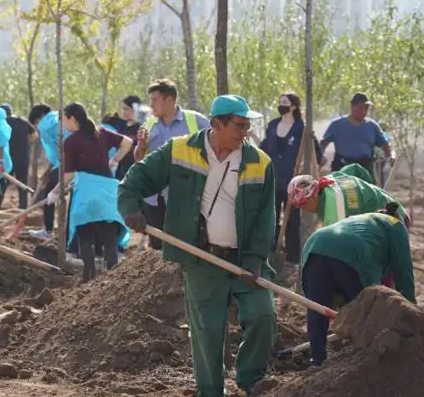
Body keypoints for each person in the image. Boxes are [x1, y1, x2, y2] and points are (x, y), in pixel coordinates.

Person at [119, 95, 277, 396]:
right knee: (207, 332)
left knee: (263, 316)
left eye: (248, 126)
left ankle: (250, 380)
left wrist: (256, 259)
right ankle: (211, 391)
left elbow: (266, 218)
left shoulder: (260, 162)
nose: (245, 132)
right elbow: (134, 181)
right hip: (202, 260)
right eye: (240, 125)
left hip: (245, 259)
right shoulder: (180, 151)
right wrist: (131, 209)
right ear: (217, 123)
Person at [301, 207, 415, 366]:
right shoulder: (396, 224)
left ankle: (317, 358)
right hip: (353, 251)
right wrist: (412, 311)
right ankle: (366, 360)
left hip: (315, 244)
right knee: (368, 310)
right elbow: (404, 271)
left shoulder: (362, 219)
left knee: (317, 307)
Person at [54, 102, 132, 282]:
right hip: (107, 192)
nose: (64, 125)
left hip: (87, 195)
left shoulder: (71, 141)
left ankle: (89, 281)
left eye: (64, 120)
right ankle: (113, 282)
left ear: (72, 119)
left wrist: (54, 192)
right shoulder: (101, 132)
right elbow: (127, 142)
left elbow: (69, 174)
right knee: (109, 239)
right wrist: (115, 160)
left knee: (86, 239)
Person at [133, 79, 210, 250]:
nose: (150, 104)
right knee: (158, 249)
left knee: (187, 245)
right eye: (150, 99)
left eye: (154, 99)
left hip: (187, 196)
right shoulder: (149, 125)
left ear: (170, 100)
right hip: (155, 198)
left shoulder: (197, 122)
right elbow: (139, 159)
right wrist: (142, 145)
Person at [259, 92, 323, 264]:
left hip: (293, 181)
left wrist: (307, 167)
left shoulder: (302, 129)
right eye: (280, 102)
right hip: (272, 178)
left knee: (293, 219)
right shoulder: (272, 125)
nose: (281, 105)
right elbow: (264, 147)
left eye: (285, 102)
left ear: (293, 106)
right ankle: (272, 250)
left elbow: (316, 152)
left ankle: (292, 255)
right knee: (271, 216)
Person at [287, 163, 409, 228]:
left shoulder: (334, 215)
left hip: (394, 221)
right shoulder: (331, 178)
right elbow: (355, 168)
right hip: (389, 201)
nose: (303, 210)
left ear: (312, 198)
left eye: (302, 205)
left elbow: (341, 246)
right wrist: (370, 188)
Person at [321, 92, 391, 179]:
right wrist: (320, 156)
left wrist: (390, 158)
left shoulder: (372, 126)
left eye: (366, 109)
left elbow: (384, 144)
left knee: (366, 191)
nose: (364, 112)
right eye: (361, 108)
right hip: (342, 167)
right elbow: (323, 143)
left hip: (365, 169)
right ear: (352, 106)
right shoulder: (337, 124)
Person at [27, 103, 68, 240]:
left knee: (51, 194)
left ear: (42, 116)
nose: (38, 126)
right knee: (54, 194)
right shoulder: (57, 121)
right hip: (64, 164)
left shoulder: (50, 124)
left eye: (37, 122)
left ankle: (51, 231)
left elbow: (63, 151)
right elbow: (56, 154)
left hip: (68, 165)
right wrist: (47, 171)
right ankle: (55, 230)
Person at [1, 103, 37, 209]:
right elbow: (34, 135)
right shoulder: (22, 121)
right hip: (23, 159)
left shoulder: (1, 123)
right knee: (23, 185)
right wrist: (26, 141)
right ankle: (23, 209)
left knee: (2, 185)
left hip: (7, 160)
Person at [104, 95, 142, 180]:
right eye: (122, 108)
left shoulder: (141, 128)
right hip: (120, 170)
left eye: (126, 109)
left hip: (134, 171)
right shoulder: (120, 127)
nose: (123, 111)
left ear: (135, 110)